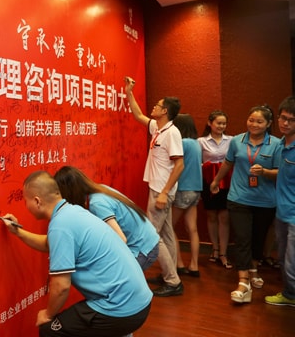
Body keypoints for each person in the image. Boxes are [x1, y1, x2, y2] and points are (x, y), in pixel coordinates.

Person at [2, 171, 152, 337]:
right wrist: (18, 232)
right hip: (139, 301)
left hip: (121, 308)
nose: (26, 206)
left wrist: (48, 314)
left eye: (26, 201)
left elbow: (61, 287)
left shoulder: (60, 225)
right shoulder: (72, 213)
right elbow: (49, 243)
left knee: (49, 330)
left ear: (37, 201)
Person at [210, 105, 281, 304]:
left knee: (258, 237)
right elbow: (228, 163)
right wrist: (216, 181)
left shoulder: (276, 144)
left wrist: (265, 172)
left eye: (259, 121)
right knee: (242, 238)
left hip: (265, 200)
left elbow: (281, 172)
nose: (254, 124)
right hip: (238, 197)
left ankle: (254, 268)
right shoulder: (237, 141)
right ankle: (243, 282)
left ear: (268, 124)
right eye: (251, 120)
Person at [124, 76, 185, 297]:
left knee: (151, 235)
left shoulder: (172, 133)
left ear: (165, 111)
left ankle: (173, 281)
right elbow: (138, 115)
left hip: (162, 191)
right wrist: (129, 92)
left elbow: (179, 165)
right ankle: (170, 274)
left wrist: (164, 193)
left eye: (158, 105)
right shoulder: (158, 128)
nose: (154, 107)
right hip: (158, 188)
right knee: (166, 234)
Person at [53, 165, 159, 270]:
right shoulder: (100, 189)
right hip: (149, 240)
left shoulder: (96, 204)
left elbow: (121, 239)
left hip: (142, 249)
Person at [265, 96, 295, 307]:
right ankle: (290, 295)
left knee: (292, 264)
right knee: (283, 259)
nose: (285, 123)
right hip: (281, 211)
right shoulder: (281, 144)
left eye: (291, 120)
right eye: (283, 118)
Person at [198, 110, 233, 269]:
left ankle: (223, 253)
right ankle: (215, 249)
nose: (221, 126)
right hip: (208, 182)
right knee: (211, 216)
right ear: (209, 123)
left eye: (224, 123)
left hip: (227, 182)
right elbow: (197, 163)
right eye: (218, 123)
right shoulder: (201, 142)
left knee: (224, 217)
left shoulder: (231, 140)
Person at [171, 114, 202, 277]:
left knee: (168, 227)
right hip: (196, 190)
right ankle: (194, 265)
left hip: (183, 189)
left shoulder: (182, 143)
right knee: (193, 229)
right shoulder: (196, 143)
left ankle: (179, 264)